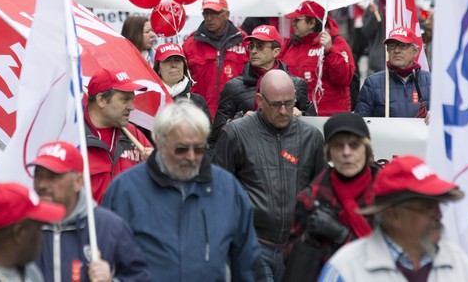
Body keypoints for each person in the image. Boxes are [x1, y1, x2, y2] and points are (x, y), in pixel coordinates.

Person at [102, 101, 263, 281]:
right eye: (181, 149)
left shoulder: (227, 188)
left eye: (199, 148)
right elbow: (106, 258)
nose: (191, 157)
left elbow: (248, 263)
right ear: (160, 143)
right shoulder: (125, 190)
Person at [212, 69, 325, 282]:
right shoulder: (235, 134)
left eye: (289, 103)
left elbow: (322, 191)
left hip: (296, 248)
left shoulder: (311, 137)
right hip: (253, 246)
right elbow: (218, 191)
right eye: (275, 104)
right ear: (259, 101)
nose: (283, 111)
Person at [318, 155, 468, 281]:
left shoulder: (458, 262)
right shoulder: (346, 269)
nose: (439, 215)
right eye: (428, 207)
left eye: (439, 205)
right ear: (393, 215)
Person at [29, 140, 149, 282]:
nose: (42, 185)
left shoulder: (109, 227)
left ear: (78, 182)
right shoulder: (22, 228)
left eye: (52, 177)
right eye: (38, 176)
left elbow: (139, 277)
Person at [283, 113, 379, 280]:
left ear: (367, 149)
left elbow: (397, 253)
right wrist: (308, 241)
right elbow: (289, 259)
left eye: (354, 145)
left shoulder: (386, 194)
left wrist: (341, 234)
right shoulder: (310, 198)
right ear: (329, 153)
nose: (346, 152)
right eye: (338, 146)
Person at [210, 25, 316, 147]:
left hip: (286, 155)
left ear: (276, 52)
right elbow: (217, 133)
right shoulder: (233, 87)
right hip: (248, 158)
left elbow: (313, 125)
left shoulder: (296, 84)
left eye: (260, 46)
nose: (254, 51)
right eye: (251, 46)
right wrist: (239, 122)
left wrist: (300, 115)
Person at [85, 68, 153, 202]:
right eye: (125, 100)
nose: (132, 107)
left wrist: (157, 166)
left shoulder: (133, 134)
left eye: (132, 99)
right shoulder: (74, 137)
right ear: (101, 100)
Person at [278, 0, 355, 117]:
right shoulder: (290, 44)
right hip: (298, 116)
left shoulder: (336, 43)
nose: (293, 23)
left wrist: (330, 51)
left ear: (312, 23)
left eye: (297, 20)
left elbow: (343, 80)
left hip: (329, 117)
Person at [182, 0, 249, 117]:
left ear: (227, 15)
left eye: (214, 13)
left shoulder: (244, 41)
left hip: (235, 117)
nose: (209, 18)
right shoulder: (190, 44)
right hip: (199, 116)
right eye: (206, 13)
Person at [355, 27, 430, 118]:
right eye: (392, 46)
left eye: (403, 46)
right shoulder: (372, 84)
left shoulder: (431, 82)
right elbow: (361, 123)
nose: (397, 50)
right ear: (387, 50)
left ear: (416, 51)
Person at [152, 42, 210, 119]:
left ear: (184, 66)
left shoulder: (197, 101)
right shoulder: (149, 100)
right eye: (167, 61)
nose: (173, 65)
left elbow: (207, 130)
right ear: (158, 68)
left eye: (177, 60)